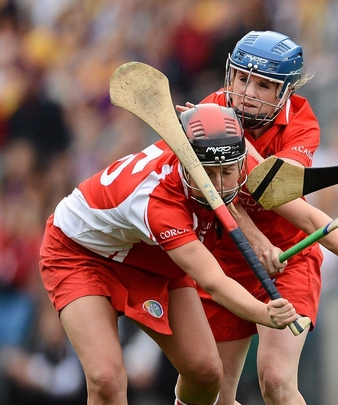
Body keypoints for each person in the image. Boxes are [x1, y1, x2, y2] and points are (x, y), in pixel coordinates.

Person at [192, 30, 338, 405]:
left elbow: (279, 196)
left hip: (289, 259)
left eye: (263, 85)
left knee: (276, 382)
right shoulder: (210, 110)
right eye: (242, 78)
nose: (247, 92)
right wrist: (257, 242)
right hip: (224, 263)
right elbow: (215, 195)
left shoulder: (302, 126)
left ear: (284, 92)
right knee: (217, 392)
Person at [39, 103, 300, 405]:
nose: (217, 186)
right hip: (81, 254)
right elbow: (213, 281)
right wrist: (263, 313)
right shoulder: (158, 201)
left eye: (227, 172)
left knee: (205, 373)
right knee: (106, 379)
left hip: (149, 252)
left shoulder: (211, 154)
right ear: (185, 163)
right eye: (207, 174)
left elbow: (301, 214)